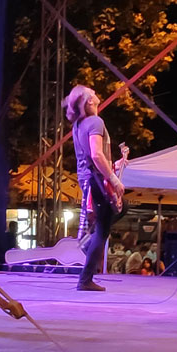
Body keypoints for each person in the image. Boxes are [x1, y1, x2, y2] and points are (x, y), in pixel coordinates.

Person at [63, 85, 125, 291]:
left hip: (88, 178)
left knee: (111, 217)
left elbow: (92, 155)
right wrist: (113, 179)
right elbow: (97, 154)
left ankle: (88, 253)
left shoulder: (79, 124)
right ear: (90, 101)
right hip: (96, 180)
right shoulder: (96, 122)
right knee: (103, 228)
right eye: (93, 93)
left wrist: (113, 166)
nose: (97, 94)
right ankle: (85, 278)